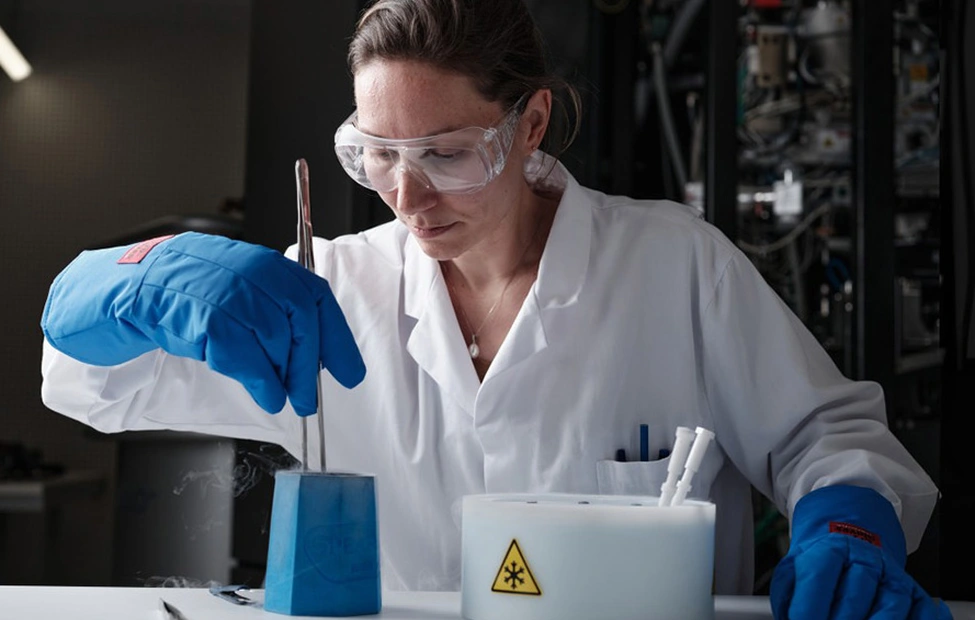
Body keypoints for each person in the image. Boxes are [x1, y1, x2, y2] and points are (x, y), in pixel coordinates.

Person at [40, 0, 950, 617]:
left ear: (532, 123)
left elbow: (828, 440)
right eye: (378, 154)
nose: (406, 195)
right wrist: (130, 277)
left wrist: (844, 522)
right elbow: (96, 385)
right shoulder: (332, 289)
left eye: (445, 152)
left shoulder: (672, 265)